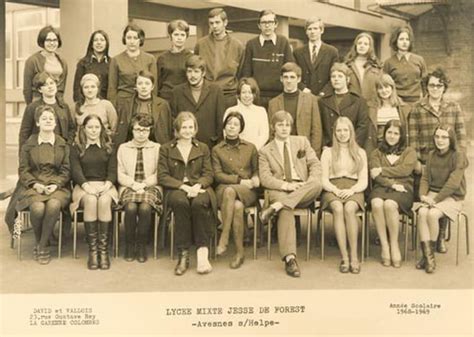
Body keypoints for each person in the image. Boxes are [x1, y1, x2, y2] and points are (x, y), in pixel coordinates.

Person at [409, 68, 467, 253]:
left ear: (444, 87)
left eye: (439, 85)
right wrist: (418, 161)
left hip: (449, 162)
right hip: (427, 162)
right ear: (426, 87)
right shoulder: (418, 108)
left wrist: (460, 160)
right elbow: (412, 138)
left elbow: (461, 135)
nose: (435, 88)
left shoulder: (453, 107)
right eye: (431, 85)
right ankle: (427, 239)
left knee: (445, 194)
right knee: (426, 199)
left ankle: (440, 235)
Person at [259, 111, 322, 277]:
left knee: (317, 183)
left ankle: (277, 207)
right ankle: (290, 258)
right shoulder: (265, 151)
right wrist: (286, 185)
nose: (284, 128)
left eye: (287, 125)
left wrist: (307, 183)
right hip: (280, 190)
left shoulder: (302, 142)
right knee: (286, 209)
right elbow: (265, 179)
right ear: (273, 127)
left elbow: (315, 164)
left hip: (303, 188)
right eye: (280, 125)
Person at [158, 112, 217, 276]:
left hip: (199, 187)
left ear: (195, 129)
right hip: (177, 189)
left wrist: (198, 186)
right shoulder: (166, 149)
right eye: (184, 127)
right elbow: (162, 176)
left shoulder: (203, 148)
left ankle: (202, 254)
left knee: (199, 203)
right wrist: (183, 187)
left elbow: (209, 174)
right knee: (181, 203)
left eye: (191, 127)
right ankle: (183, 254)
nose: (187, 130)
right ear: (177, 129)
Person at [16, 106, 71, 264]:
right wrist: (34, 184)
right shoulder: (29, 144)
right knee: (38, 208)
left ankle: (41, 247)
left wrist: (56, 184)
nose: (48, 121)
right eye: (44, 118)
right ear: (38, 122)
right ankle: (43, 242)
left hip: (58, 187)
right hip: (34, 186)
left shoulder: (62, 144)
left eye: (51, 119)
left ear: (55, 123)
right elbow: (23, 169)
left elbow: (66, 170)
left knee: (54, 205)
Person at [415, 125, 468, 274]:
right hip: (433, 194)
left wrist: (435, 200)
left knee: (432, 214)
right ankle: (428, 257)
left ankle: (428, 258)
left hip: (453, 196)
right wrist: (423, 196)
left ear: (451, 139)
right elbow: (425, 178)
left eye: (444, 137)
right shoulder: (431, 155)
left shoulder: (458, 155)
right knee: (422, 213)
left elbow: (453, 183)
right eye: (437, 136)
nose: (440, 140)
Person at [70, 114, 118, 270]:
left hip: (106, 185)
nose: (93, 130)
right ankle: (93, 251)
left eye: (97, 127)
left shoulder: (109, 147)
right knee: (91, 200)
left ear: (101, 129)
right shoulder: (76, 148)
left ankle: (103, 251)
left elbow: (112, 171)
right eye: (90, 127)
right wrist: (87, 187)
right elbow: (76, 172)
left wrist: (106, 186)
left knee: (104, 201)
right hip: (83, 186)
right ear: (84, 129)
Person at [212, 111, 259, 268]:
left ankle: (224, 236)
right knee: (237, 206)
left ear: (241, 129)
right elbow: (218, 175)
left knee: (232, 193)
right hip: (224, 190)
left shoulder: (251, 148)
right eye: (229, 124)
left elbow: (257, 170)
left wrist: (255, 178)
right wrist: (239, 180)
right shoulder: (217, 149)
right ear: (224, 127)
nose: (232, 127)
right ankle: (239, 253)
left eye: (235, 124)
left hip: (247, 191)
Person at [320, 117, 368, 274]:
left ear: (351, 132)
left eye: (345, 130)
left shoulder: (360, 152)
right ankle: (344, 257)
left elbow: (364, 181)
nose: (342, 134)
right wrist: (334, 189)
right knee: (337, 208)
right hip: (332, 187)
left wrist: (352, 190)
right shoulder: (327, 152)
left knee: (349, 208)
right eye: (339, 130)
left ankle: (354, 256)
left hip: (353, 187)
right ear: (334, 132)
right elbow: (324, 179)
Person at [368, 120, 416, 268]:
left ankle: (394, 245)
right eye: (389, 132)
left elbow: (405, 170)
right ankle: (384, 246)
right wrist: (392, 183)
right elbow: (375, 175)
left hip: (404, 188)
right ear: (384, 133)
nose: (392, 136)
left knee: (389, 204)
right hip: (382, 187)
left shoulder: (409, 151)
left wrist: (382, 170)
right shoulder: (376, 152)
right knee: (376, 203)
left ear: (401, 135)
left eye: (396, 133)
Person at [117, 114, 162, 263]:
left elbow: (159, 173)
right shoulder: (123, 148)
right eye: (137, 129)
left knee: (145, 208)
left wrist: (144, 184)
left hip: (151, 186)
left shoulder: (157, 148)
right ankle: (130, 245)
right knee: (130, 208)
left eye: (145, 130)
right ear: (132, 130)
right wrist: (133, 185)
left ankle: (142, 245)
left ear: (150, 131)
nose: (141, 133)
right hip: (129, 186)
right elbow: (120, 173)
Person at [240, 9, 295, 109]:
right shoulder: (251, 44)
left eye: (270, 22)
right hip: (257, 97)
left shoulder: (283, 42)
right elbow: (246, 73)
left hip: (279, 96)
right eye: (264, 22)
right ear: (259, 25)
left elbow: (291, 70)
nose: (267, 25)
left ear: (276, 24)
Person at [170, 55, 225, 149]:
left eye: (196, 71)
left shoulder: (216, 90)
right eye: (189, 71)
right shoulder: (177, 92)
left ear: (203, 73)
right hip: (185, 143)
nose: (192, 75)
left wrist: (217, 141)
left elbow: (220, 119)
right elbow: (173, 119)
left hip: (210, 143)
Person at [268, 62, 323, 156]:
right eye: (286, 77)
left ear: (299, 79)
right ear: (281, 79)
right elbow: (271, 132)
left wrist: (313, 155)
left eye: (292, 77)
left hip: (303, 150)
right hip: (282, 150)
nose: (289, 81)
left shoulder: (311, 100)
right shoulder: (273, 103)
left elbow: (316, 130)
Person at [194, 8, 244, 108]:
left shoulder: (237, 45)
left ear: (225, 23)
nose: (214, 26)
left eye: (217, 22)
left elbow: (241, 73)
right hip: (206, 94)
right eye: (211, 23)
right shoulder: (201, 44)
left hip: (229, 95)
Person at [114, 70, 172, 146]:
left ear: (152, 86)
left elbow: (167, 128)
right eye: (140, 83)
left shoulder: (162, 104)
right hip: (131, 144)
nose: (143, 87)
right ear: (135, 86)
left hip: (156, 144)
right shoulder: (125, 104)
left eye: (147, 83)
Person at [318, 63, 369, 149]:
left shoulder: (358, 101)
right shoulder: (323, 101)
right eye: (333, 76)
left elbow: (362, 126)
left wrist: (353, 145)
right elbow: (320, 126)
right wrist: (324, 145)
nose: (336, 79)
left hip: (351, 147)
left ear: (347, 79)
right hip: (330, 147)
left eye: (340, 76)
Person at [19, 72, 75, 148]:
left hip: (60, 151)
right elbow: (24, 133)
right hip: (39, 152)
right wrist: (23, 155)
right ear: (40, 89)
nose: (50, 87)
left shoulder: (64, 107)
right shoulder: (32, 108)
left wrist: (67, 145)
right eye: (45, 85)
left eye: (52, 83)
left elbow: (71, 129)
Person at [108, 24, 157, 108]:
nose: (132, 41)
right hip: (123, 103)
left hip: (144, 102)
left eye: (135, 38)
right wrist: (112, 107)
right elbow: (112, 88)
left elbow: (154, 86)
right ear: (124, 39)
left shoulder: (150, 59)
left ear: (140, 40)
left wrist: (153, 105)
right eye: (129, 38)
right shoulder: (116, 60)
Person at [366, 73, 410, 156]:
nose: (384, 91)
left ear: (392, 88)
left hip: (398, 148)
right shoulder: (371, 108)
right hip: (378, 148)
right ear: (377, 90)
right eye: (380, 88)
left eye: (386, 87)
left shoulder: (402, 107)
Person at [293, 17, 339, 97]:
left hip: (325, 96)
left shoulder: (332, 52)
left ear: (321, 30)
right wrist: (303, 88)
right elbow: (294, 73)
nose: (312, 32)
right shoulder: (298, 52)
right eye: (309, 29)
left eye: (315, 28)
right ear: (306, 32)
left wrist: (324, 92)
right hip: (303, 95)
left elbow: (335, 75)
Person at [23, 25, 68, 104]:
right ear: (42, 41)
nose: (52, 43)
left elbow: (62, 89)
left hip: (57, 103)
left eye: (55, 40)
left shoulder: (63, 62)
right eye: (48, 40)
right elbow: (27, 89)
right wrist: (31, 107)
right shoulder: (32, 61)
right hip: (38, 104)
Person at [383, 25, 427, 105]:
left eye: (407, 39)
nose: (404, 42)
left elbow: (424, 83)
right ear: (395, 41)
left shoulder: (419, 60)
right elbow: (385, 85)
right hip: (397, 102)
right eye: (401, 39)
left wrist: (424, 100)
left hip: (417, 102)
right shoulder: (388, 62)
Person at [223, 77, 269, 150]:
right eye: (244, 92)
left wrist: (252, 151)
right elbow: (226, 133)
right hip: (235, 151)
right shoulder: (231, 110)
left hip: (255, 151)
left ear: (254, 94)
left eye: (250, 92)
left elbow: (264, 135)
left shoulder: (261, 111)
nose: (247, 96)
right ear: (239, 94)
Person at [156, 19, 193, 102]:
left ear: (186, 36)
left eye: (182, 35)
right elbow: (158, 82)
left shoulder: (192, 57)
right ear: (170, 36)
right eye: (176, 34)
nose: (179, 38)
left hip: (184, 98)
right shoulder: (162, 58)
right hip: (165, 98)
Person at [73, 30, 111, 103]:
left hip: (105, 103)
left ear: (106, 43)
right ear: (91, 44)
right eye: (95, 40)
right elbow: (77, 88)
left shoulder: (112, 63)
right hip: (87, 104)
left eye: (102, 40)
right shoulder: (83, 63)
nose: (99, 42)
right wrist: (80, 105)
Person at [75, 73, 117, 138]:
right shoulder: (77, 107)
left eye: (93, 87)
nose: (90, 90)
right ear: (82, 90)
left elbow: (114, 128)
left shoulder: (106, 105)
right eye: (86, 87)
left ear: (98, 88)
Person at [344, 32, 382, 103]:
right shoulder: (347, 65)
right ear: (355, 46)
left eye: (365, 44)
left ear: (370, 47)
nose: (362, 46)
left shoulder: (377, 66)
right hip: (351, 104)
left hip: (371, 106)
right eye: (359, 43)